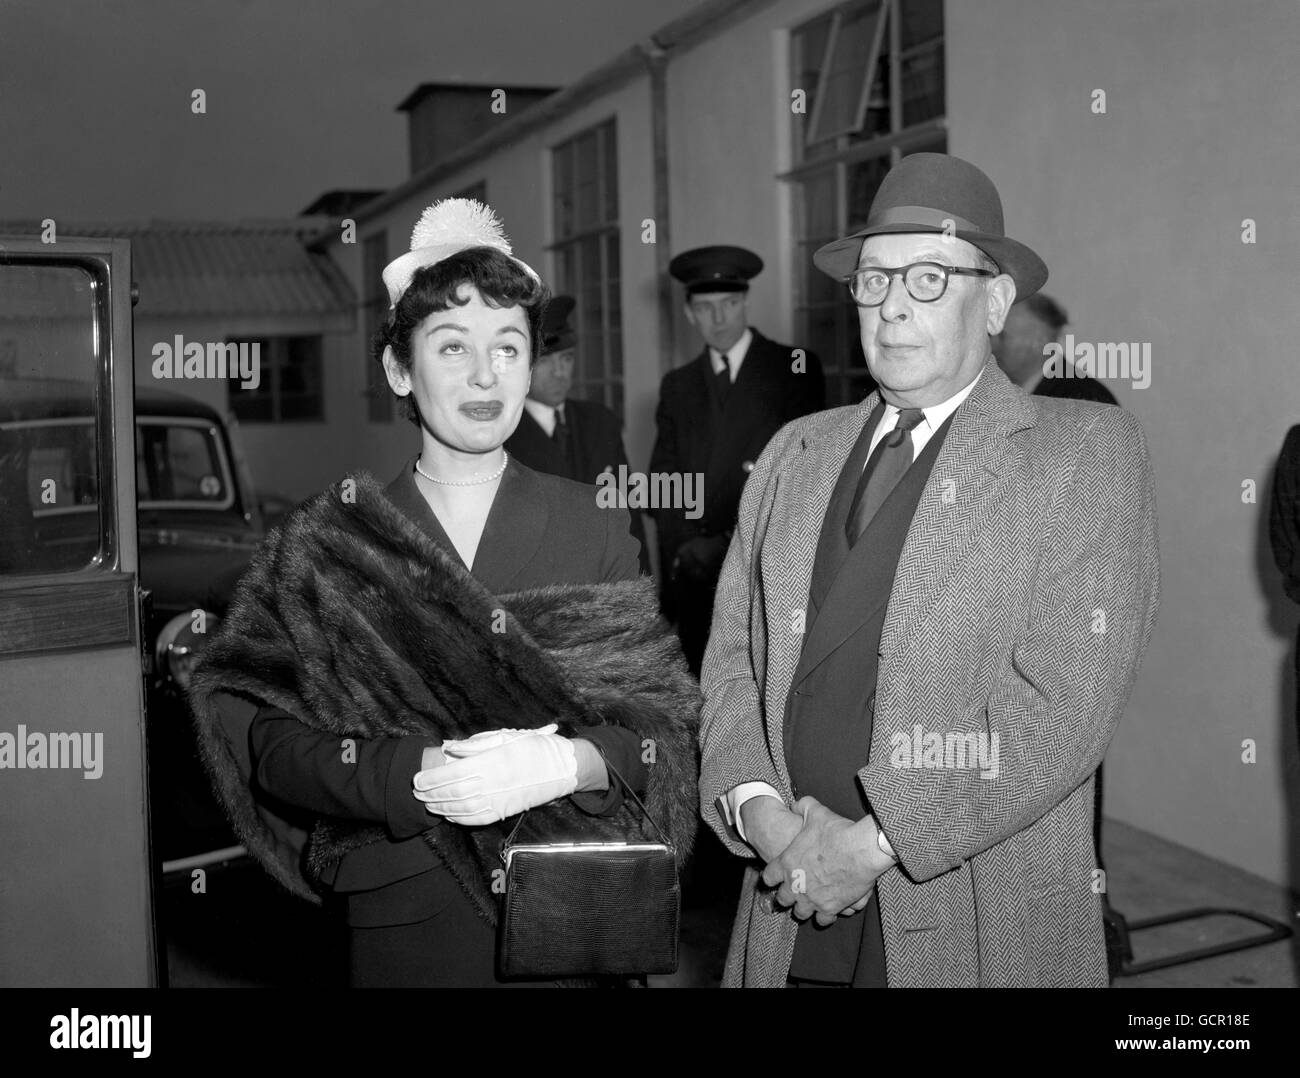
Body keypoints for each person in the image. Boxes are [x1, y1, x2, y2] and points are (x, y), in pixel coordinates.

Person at [189, 199, 699, 987]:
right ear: (399, 368)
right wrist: (418, 777)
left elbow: (655, 733)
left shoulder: (590, 524)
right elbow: (274, 751)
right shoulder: (332, 543)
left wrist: (565, 765)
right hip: (404, 909)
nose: (485, 375)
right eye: (451, 346)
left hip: (568, 911)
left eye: (508, 346)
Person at [698, 153, 1160, 987]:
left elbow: (1063, 710)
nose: (895, 305)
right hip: (788, 903)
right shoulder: (792, 455)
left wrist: (875, 841)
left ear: (994, 301)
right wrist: (761, 815)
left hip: (973, 915)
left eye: (928, 276)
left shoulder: (1083, 453)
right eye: (874, 280)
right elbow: (732, 660)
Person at [648, 245, 824, 675]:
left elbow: (806, 478)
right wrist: (682, 557)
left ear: (745, 302)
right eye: (705, 308)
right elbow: (664, 482)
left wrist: (727, 543)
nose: (719, 319)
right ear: (689, 314)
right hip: (694, 580)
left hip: (764, 571)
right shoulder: (678, 384)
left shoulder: (792, 370)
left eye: (728, 304)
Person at [506, 294, 649, 571]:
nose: (560, 372)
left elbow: (630, 517)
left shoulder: (599, 422)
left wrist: (646, 595)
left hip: (610, 587)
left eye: (568, 359)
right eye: (547, 362)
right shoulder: (503, 434)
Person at [993, 293, 1119, 405]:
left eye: (1002, 336)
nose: (992, 344)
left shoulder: (1085, 399)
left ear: (1039, 341)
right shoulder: (999, 390)